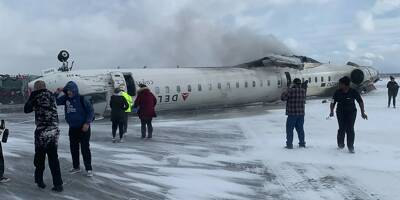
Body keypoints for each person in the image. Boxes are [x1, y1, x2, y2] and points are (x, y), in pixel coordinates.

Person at [24, 80, 63, 192]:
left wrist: (32, 96)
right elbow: (53, 97)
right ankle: (58, 184)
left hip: (42, 132)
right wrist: (56, 92)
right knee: (53, 158)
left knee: (40, 157)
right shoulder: (50, 95)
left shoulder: (36, 96)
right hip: (54, 131)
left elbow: (26, 110)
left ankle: (39, 180)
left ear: (36, 88)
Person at [56, 81, 94, 177]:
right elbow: (56, 101)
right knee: (74, 148)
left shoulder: (82, 99)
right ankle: (76, 167)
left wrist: (87, 123)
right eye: (68, 91)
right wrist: (58, 92)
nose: (69, 93)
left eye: (71, 91)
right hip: (73, 128)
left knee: (85, 148)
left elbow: (90, 112)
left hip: (83, 128)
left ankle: (88, 168)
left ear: (75, 90)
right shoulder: (66, 99)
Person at [330, 76, 368, 153]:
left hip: (351, 112)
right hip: (340, 112)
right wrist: (331, 111)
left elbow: (360, 102)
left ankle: (350, 146)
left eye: (340, 84)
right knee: (341, 128)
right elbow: (332, 102)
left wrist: (362, 112)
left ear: (345, 84)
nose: (339, 85)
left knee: (350, 129)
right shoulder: (337, 92)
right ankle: (340, 144)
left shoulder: (353, 91)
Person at [281, 78, 307, 149]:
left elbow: (283, 98)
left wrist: (288, 88)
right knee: (300, 129)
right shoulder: (303, 91)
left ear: (294, 83)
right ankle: (302, 144)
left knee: (289, 130)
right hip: (301, 114)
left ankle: (289, 145)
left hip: (292, 114)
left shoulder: (290, 91)